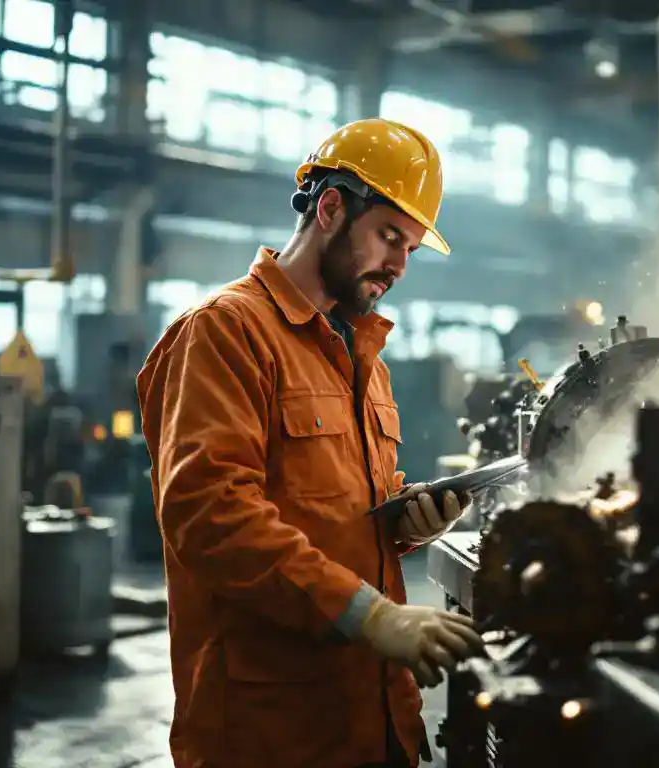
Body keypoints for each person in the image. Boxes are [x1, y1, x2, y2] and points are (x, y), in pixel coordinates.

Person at [137, 118, 485, 768]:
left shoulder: (362, 356)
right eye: (389, 236)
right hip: (270, 733)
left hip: (373, 721)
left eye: (410, 246)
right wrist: (373, 617)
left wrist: (405, 522)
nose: (400, 265)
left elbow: (333, 515)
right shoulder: (225, 333)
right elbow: (211, 517)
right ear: (329, 208)